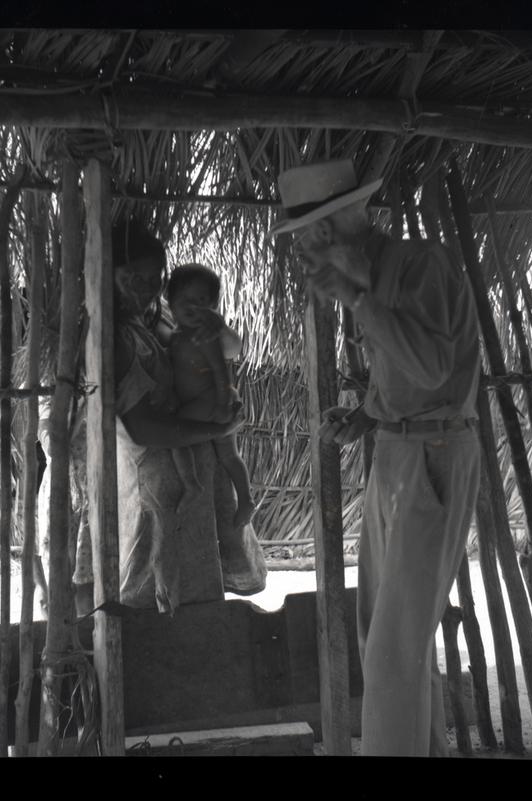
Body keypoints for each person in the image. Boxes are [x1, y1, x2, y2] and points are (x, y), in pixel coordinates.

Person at [270, 159, 481, 757]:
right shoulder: (368, 278)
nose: (307, 248)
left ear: (340, 223)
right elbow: (403, 377)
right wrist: (367, 414)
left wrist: (361, 301)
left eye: (311, 233)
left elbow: (435, 369)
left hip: (434, 452)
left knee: (393, 649)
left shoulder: (422, 267)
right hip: (395, 451)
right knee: (386, 638)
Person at [68, 219, 267, 616]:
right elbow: (144, 428)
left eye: (155, 281)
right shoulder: (112, 339)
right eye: (133, 278)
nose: (145, 290)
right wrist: (217, 428)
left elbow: (223, 350)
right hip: (152, 488)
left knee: (189, 602)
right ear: (107, 273)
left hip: (178, 481)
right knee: (153, 599)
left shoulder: (146, 324)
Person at [165, 263, 256, 527]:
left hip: (213, 398)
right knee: (229, 455)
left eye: (203, 301)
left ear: (214, 306)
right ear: (169, 302)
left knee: (174, 433)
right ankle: (246, 499)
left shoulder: (203, 336)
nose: (195, 307)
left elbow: (220, 370)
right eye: (187, 301)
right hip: (208, 399)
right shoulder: (176, 336)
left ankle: (191, 484)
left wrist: (221, 403)